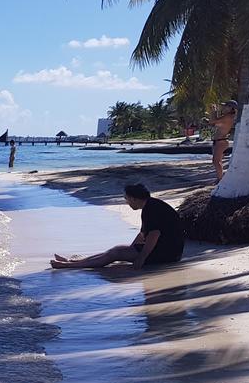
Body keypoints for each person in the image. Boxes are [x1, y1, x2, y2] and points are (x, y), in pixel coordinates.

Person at [50, 183, 184, 271]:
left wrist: (140, 258)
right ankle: (73, 262)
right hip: (165, 249)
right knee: (117, 249)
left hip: (168, 253)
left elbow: (154, 235)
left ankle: (68, 266)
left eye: (127, 199)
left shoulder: (152, 209)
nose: (126, 202)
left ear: (134, 198)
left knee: (115, 253)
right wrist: (131, 249)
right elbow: (143, 234)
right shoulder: (150, 206)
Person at [209, 101, 238, 183]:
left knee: (216, 161)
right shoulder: (227, 116)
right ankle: (220, 178)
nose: (224, 108)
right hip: (219, 141)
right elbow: (214, 123)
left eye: (226, 106)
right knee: (217, 161)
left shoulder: (228, 117)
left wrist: (213, 111)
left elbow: (213, 121)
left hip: (221, 141)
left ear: (231, 108)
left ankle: (220, 179)